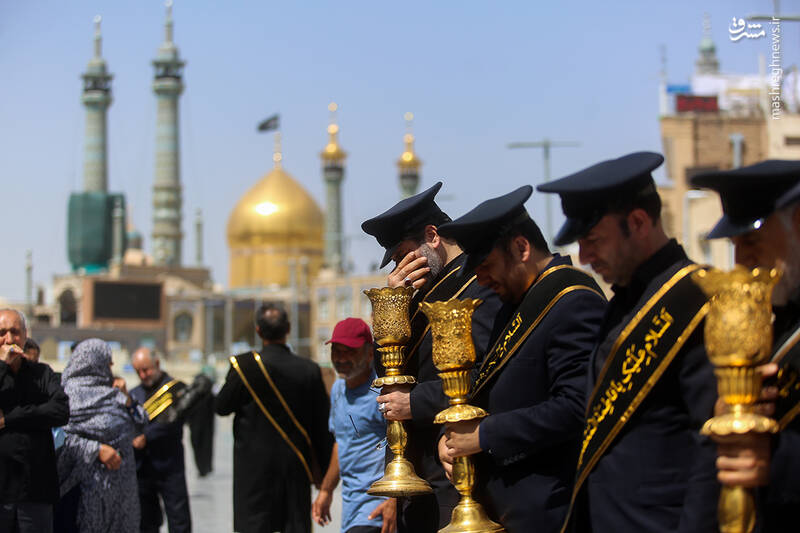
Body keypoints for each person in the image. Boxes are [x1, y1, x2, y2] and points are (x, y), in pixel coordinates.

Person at [537, 151, 719, 532]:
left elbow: (713, 448)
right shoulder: (624, 301)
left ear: (637, 222)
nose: (584, 258)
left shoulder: (696, 298)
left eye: (593, 240)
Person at [433, 186, 606, 532]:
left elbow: (577, 406)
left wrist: (483, 434)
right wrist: (453, 436)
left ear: (522, 248)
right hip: (510, 508)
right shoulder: (512, 304)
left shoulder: (573, 302)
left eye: (486, 266)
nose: (480, 280)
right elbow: (489, 382)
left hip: (553, 511)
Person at [361, 182, 502, 532]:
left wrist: (416, 403)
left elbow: (485, 374)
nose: (400, 268)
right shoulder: (418, 294)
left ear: (432, 235)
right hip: (417, 467)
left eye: (403, 255)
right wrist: (393, 307)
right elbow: (389, 369)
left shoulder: (479, 284)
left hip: (456, 464)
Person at [690, 160, 800, 532]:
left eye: (751, 242)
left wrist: (779, 462)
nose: (741, 262)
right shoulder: (774, 317)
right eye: (734, 245)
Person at [215, 304, 333, 533]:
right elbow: (322, 426)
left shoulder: (243, 367)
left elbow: (221, 407)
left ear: (258, 331)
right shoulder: (309, 369)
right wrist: (324, 476)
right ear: (288, 329)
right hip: (295, 468)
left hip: (253, 472)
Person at [313, 318, 397, 533]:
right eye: (336, 351)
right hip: (351, 509)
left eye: (349, 351)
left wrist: (394, 499)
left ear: (370, 354)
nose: (341, 358)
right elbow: (342, 443)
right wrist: (326, 490)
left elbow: (402, 446)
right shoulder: (339, 390)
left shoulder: (381, 392)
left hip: (375, 510)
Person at [57, 338, 146, 533]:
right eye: (107, 361)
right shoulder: (65, 396)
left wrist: (128, 398)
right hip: (84, 491)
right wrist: (95, 450)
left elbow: (142, 421)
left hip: (122, 492)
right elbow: (60, 438)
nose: (111, 366)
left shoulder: (114, 393)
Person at [0, 308, 69, 533]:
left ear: (25, 334)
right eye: (2, 332)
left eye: (15, 332)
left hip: (35, 493)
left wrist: (10, 418)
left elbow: (60, 411)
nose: (9, 339)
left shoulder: (42, 374)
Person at [129, 347, 201, 533]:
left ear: (157, 364)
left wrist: (146, 436)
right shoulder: (134, 394)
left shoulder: (176, 390)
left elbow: (173, 422)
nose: (143, 375)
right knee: (146, 521)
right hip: (143, 469)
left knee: (179, 520)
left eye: (146, 369)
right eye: (138, 371)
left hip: (170, 467)